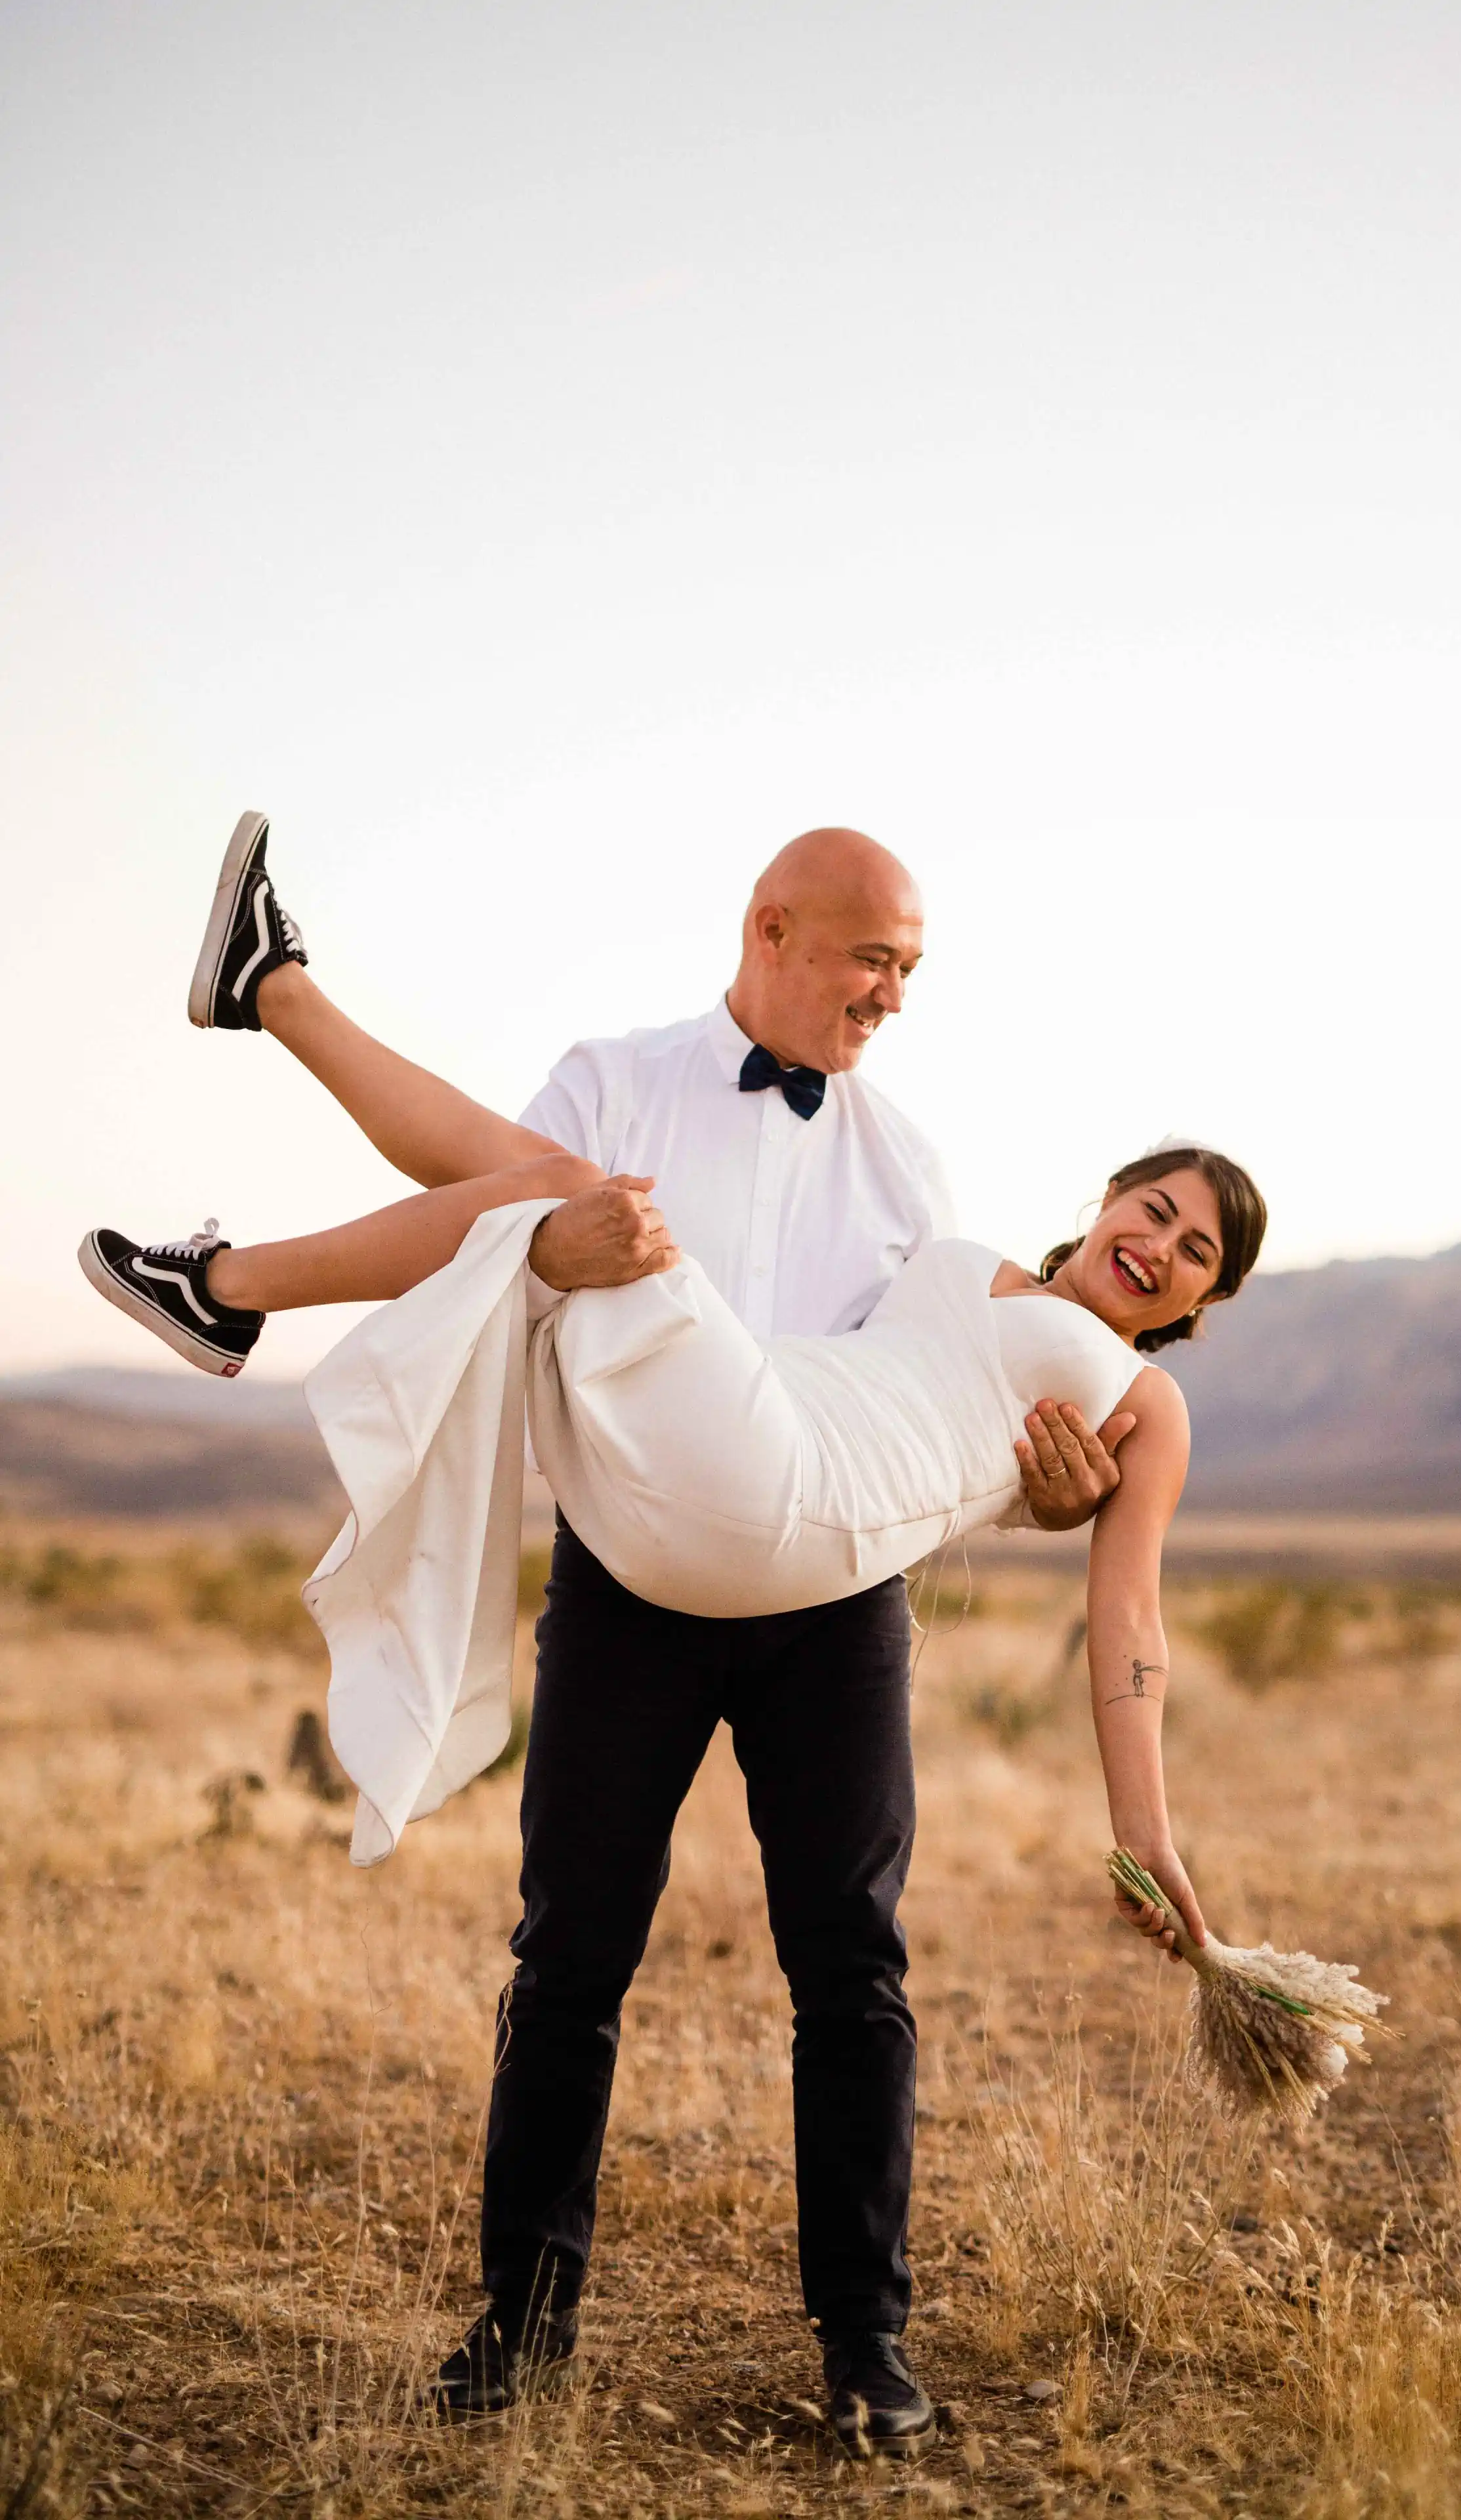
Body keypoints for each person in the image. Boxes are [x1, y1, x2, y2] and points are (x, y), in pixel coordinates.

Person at [80, 815, 1264, 2450]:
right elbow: (507, 1216)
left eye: (1195, 1252)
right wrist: (547, 1248)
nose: (891, 997)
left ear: (1199, 1303)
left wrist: (1057, 1548)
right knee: (568, 1953)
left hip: (824, 1604)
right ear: (772, 929)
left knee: (851, 1970)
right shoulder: (624, 1082)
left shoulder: (926, 1185)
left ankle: (865, 2343)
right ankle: (520, 2329)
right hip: (637, 1563)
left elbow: (986, 1504)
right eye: (873, 961)